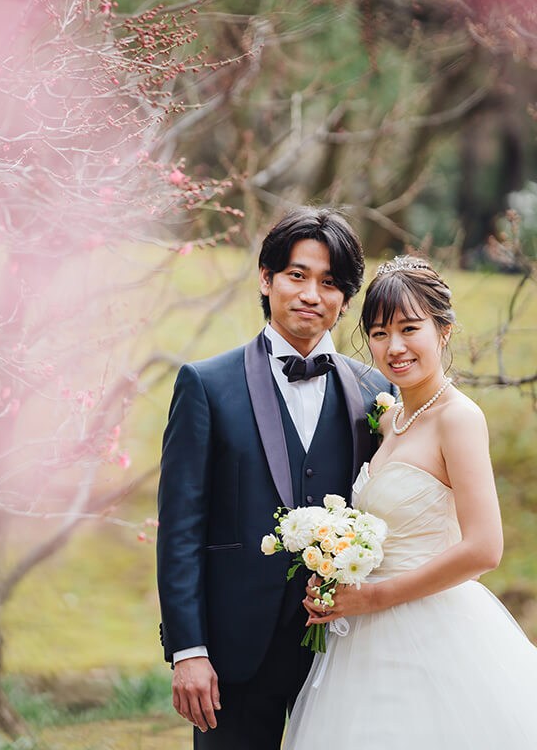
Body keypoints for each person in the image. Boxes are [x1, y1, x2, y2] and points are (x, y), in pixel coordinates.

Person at [156, 207, 395, 749]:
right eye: (297, 275)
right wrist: (189, 650)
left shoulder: (377, 391)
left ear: (346, 299)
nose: (312, 294)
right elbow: (181, 528)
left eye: (330, 283)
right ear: (266, 279)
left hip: (347, 646)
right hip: (236, 651)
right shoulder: (206, 385)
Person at [283, 255, 537, 747]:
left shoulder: (459, 419)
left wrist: (373, 596)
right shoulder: (388, 419)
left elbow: (485, 549)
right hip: (358, 636)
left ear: (443, 331)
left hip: (432, 627)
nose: (393, 347)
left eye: (409, 328)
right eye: (379, 333)